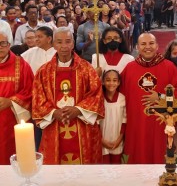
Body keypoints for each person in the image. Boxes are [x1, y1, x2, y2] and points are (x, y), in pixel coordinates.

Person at [32, 27, 104, 164]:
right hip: (54, 127)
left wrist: (78, 110)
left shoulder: (86, 69)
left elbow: (96, 94)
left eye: (68, 41)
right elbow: (38, 98)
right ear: (53, 44)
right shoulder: (44, 71)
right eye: (59, 42)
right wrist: (53, 113)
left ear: (73, 43)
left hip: (83, 127)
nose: (64, 46)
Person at [120, 33, 177, 164]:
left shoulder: (169, 67)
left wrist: (161, 97)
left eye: (151, 43)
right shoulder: (129, 68)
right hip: (136, 124)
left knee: (160, 157)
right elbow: (116, 93)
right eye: (143, 44)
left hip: (161, 126)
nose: (147, 47)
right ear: (137, 47)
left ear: (157, 46)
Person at [0, 31, 34, 164]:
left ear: (9, 45)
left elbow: (31, 91)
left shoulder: (21, 65)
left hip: (12, 122)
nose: (0, 47)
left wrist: (11, 101)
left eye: (3, 43)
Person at [101, 70, 126, 164]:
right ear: (103, 82)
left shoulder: (122, 98)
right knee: (103, 170)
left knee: (116, 170)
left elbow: (125, 120)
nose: (111, 83)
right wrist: (101, 140)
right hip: (102, 141)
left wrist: (119, 139)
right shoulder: (99, 99)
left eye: (115, 80)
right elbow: (95, 122)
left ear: (119, 82)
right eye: (108, 80)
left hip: (117, 140)